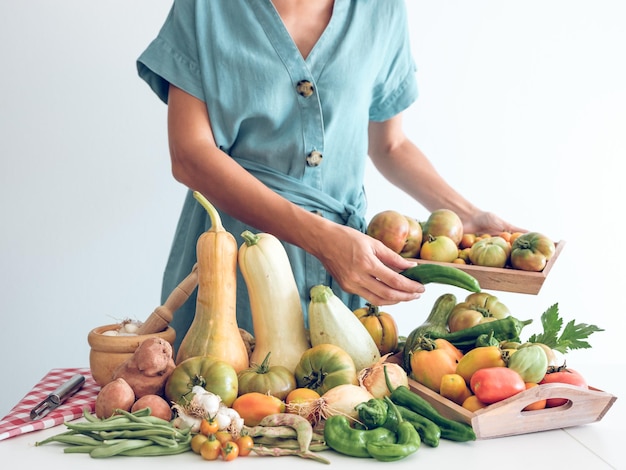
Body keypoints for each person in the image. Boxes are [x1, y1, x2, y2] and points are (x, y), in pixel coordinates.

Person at [137, 0, 524, 354]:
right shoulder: (206, 9)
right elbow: (190, 156)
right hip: (233, 268)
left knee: (341, 412)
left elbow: (390, 145)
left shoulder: (380, 10)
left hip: (348, 270)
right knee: (222, 417)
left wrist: (466, 215)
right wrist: (323, 241)